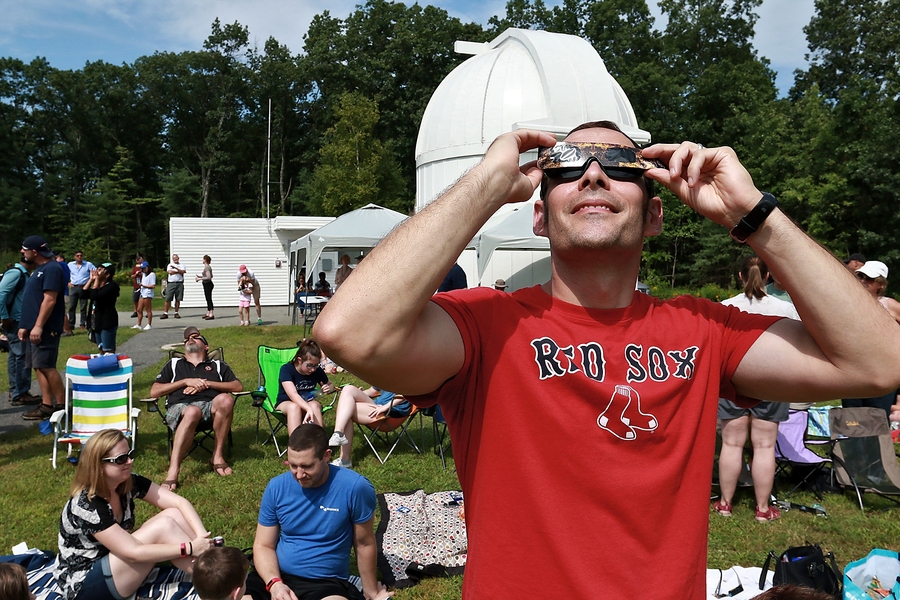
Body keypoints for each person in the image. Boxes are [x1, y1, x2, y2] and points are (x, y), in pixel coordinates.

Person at [313, 121, 900, 598]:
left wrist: (752, 215)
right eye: (567, 165)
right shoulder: (484, 325)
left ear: (654, 215)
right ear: (540, 215)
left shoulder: (704, 330)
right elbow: (349, 334)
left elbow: (877, 364)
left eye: (621, 166)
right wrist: (487, 184)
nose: (594, 174)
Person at [56, 429, 214, 600]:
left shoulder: (126, 482)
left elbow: (179, 503)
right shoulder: (87, 505)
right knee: (164, 526)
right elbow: (133, 552)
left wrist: (201, 537)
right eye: (121, 459)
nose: (130, 461)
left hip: (115, 563)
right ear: (99, 466)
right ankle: (216, 577)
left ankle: (213, 566)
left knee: (173, 514)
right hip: (86, 585)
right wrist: (189, 548)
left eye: (130, 454)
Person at [245, 424, 392, 600]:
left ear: (326, 456)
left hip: (326, 583)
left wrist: (371, 592)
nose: (299, 474)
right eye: (292, 465)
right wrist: (275, 583)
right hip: (277, 576)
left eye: (307, 466)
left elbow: (364, 543)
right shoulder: (277, 487)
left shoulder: (355, 488)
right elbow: (263, 545)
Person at [714, 256, 800, 522]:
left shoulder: (725, 307)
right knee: (764, 446)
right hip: (772, 382)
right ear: (767, 277)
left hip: (734, 380)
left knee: (731, 443)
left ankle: (726, 503)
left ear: (739, 276)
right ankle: (763, 509)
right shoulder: (785, 308)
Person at [150, 327, 242, 490]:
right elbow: (155, 391)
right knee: (193, 411)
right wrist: (186, 381)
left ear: (206, 346)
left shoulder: (217, 365)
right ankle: (173, 471)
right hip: (179, 408)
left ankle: (217, 457)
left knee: (226, 399)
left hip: (209, 409)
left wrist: (205, 383)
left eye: (196, 337)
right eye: (187, 339)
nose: (190, 339)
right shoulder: (174, 364)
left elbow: (237, 386)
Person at [842, 259, 900, 419]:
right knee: (852, 420)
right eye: (860, 276)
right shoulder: (848, 304)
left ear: (880, 284)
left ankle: (878, 444)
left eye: (869, 278)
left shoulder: (890, 305)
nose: (863, 281)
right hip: (853, 371)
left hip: (882, 373)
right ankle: (852, 444)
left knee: (877, 419)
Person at [18, 235, 66, 421]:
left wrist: (38, 326)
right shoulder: (40, 269)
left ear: (35, 251)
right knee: (38, 366)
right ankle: (46, 405)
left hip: (46, 329)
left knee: (47, 366)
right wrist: (25, 326)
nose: (22, 252)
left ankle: (61, 407)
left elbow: (49, 300)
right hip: (33, 328)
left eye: (25, 249)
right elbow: (33, 300)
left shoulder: (52, 269)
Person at [328, 386, 410, 469]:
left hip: (391, 411)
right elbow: (373, 390)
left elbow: (411, 393)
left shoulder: (406, 374)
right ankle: (338, 433)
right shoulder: (386, 374)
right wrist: (359, 393)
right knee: (348, 390)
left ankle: (344, 458)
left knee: (346, 409)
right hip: (377, 406)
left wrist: (385, 407)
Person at [274, 340, 332, 435]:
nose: (313, 369)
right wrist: (308, 408)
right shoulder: (287, 369)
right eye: (309, 365)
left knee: (315, 405)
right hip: (286, 402)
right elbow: (293, 395)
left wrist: (329, 388)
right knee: (294, 407)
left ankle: (319, 443)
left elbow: (331, 384)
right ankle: (295, 446)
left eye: (316, 365)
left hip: (308, 401)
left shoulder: (317, 370)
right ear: (300, 360)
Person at [0, 255, 36, 406]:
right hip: (14, 321)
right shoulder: (16, 273)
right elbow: (1, 294)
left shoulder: (22, 274)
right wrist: (4, 316)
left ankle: (16, 390)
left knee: (15, 355)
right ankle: (20, 393)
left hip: (16, 320)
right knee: (22, 356)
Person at [81, 262, 121, 354]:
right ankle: (103, 365)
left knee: (108, 349)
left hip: (107, 321)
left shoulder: (112, 287)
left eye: (100, 270)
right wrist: (91, 280)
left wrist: (96, 281)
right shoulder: (98, 286)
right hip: (96, 321)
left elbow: (95, 296)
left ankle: (111, 366)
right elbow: (83, 294)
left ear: (107, 274)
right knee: (101, 348)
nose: (96, 272)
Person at [67, 251, 95, 330]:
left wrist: (90, 281)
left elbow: (95, 272)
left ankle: (82, 324)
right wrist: (68, 282)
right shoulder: (70, 265)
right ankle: (71, 324)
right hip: (73, 287)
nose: (79, 257)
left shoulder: (88, 264)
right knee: (72, 307)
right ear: (74, 257)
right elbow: (65, 274)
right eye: (77, 255)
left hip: (84, 287)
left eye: (81, 255)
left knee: (83, 307)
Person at [161, 254, 186, 320]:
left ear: (178, 258)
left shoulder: (182, 265)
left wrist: (176, 269)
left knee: (178, 299)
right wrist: (178, 271)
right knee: (168, 298)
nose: (175, 259)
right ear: (172, 259)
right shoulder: (170, 265)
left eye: (176, 258)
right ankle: (165, 313)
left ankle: (176, 312)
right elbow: (170, 272)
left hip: (179, 283)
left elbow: (183, 271)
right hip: (171, 283)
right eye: (174, 258)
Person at [133, 262, 155, 331]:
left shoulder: (152, 274)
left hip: (148, 293)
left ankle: (149, 324)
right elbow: (137, 267)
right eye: (142, 268)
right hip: (142, 293)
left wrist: (144, 285)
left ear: (148, 267)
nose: (143, 269)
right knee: (139, 309)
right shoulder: (144, 274)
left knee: (148, 310)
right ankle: (139, 324)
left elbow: (153, 286)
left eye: (144, 268)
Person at [56, 254, 74, 336]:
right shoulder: (64, 266)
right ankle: (64, 329)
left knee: (62, 312)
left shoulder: (62, 264)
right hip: (64, 292)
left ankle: (67, 330)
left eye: (57, 258)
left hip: (63, 293)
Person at [196, 255, 215, 320]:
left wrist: (199, 279)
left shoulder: (207, 267)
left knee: (209, 298)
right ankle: (208, 312)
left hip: (208, 284)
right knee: (207, 298)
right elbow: (211, 276)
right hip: (206, 284)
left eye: (203, 259)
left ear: (205, 260)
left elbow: (209, 277)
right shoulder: (207, 267)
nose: (202, 260)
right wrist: (201, 276)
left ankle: (211, 313)